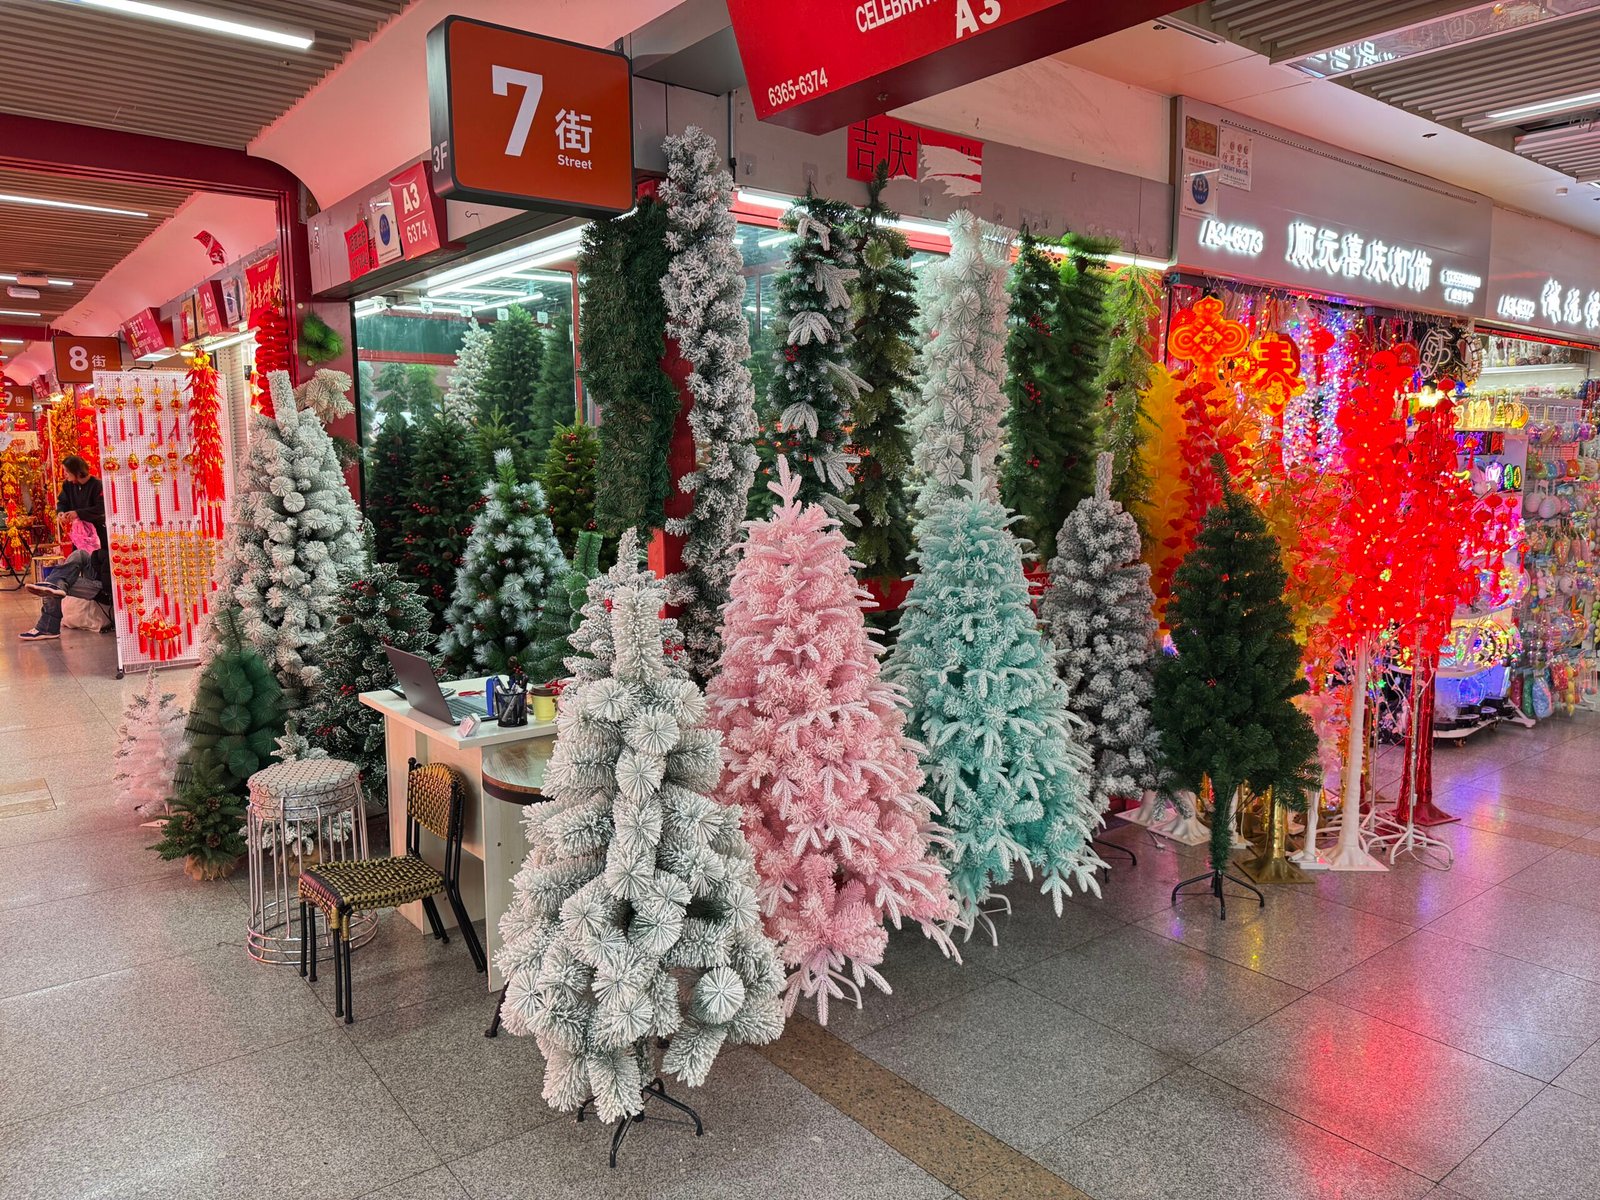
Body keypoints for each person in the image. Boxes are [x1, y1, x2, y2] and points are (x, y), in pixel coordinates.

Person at [19, 455, 109, 642]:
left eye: (67, 472)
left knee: (56, 582)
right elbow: (63, 502)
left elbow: (100, 510)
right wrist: (62, 512)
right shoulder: (69, 487)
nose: (65, 475)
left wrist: (79, 514)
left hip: (103, 586)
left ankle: (48, 626)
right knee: (70, 565)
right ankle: (54, 586)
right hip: (89, 552)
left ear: (77, 471)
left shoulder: (98, 487)